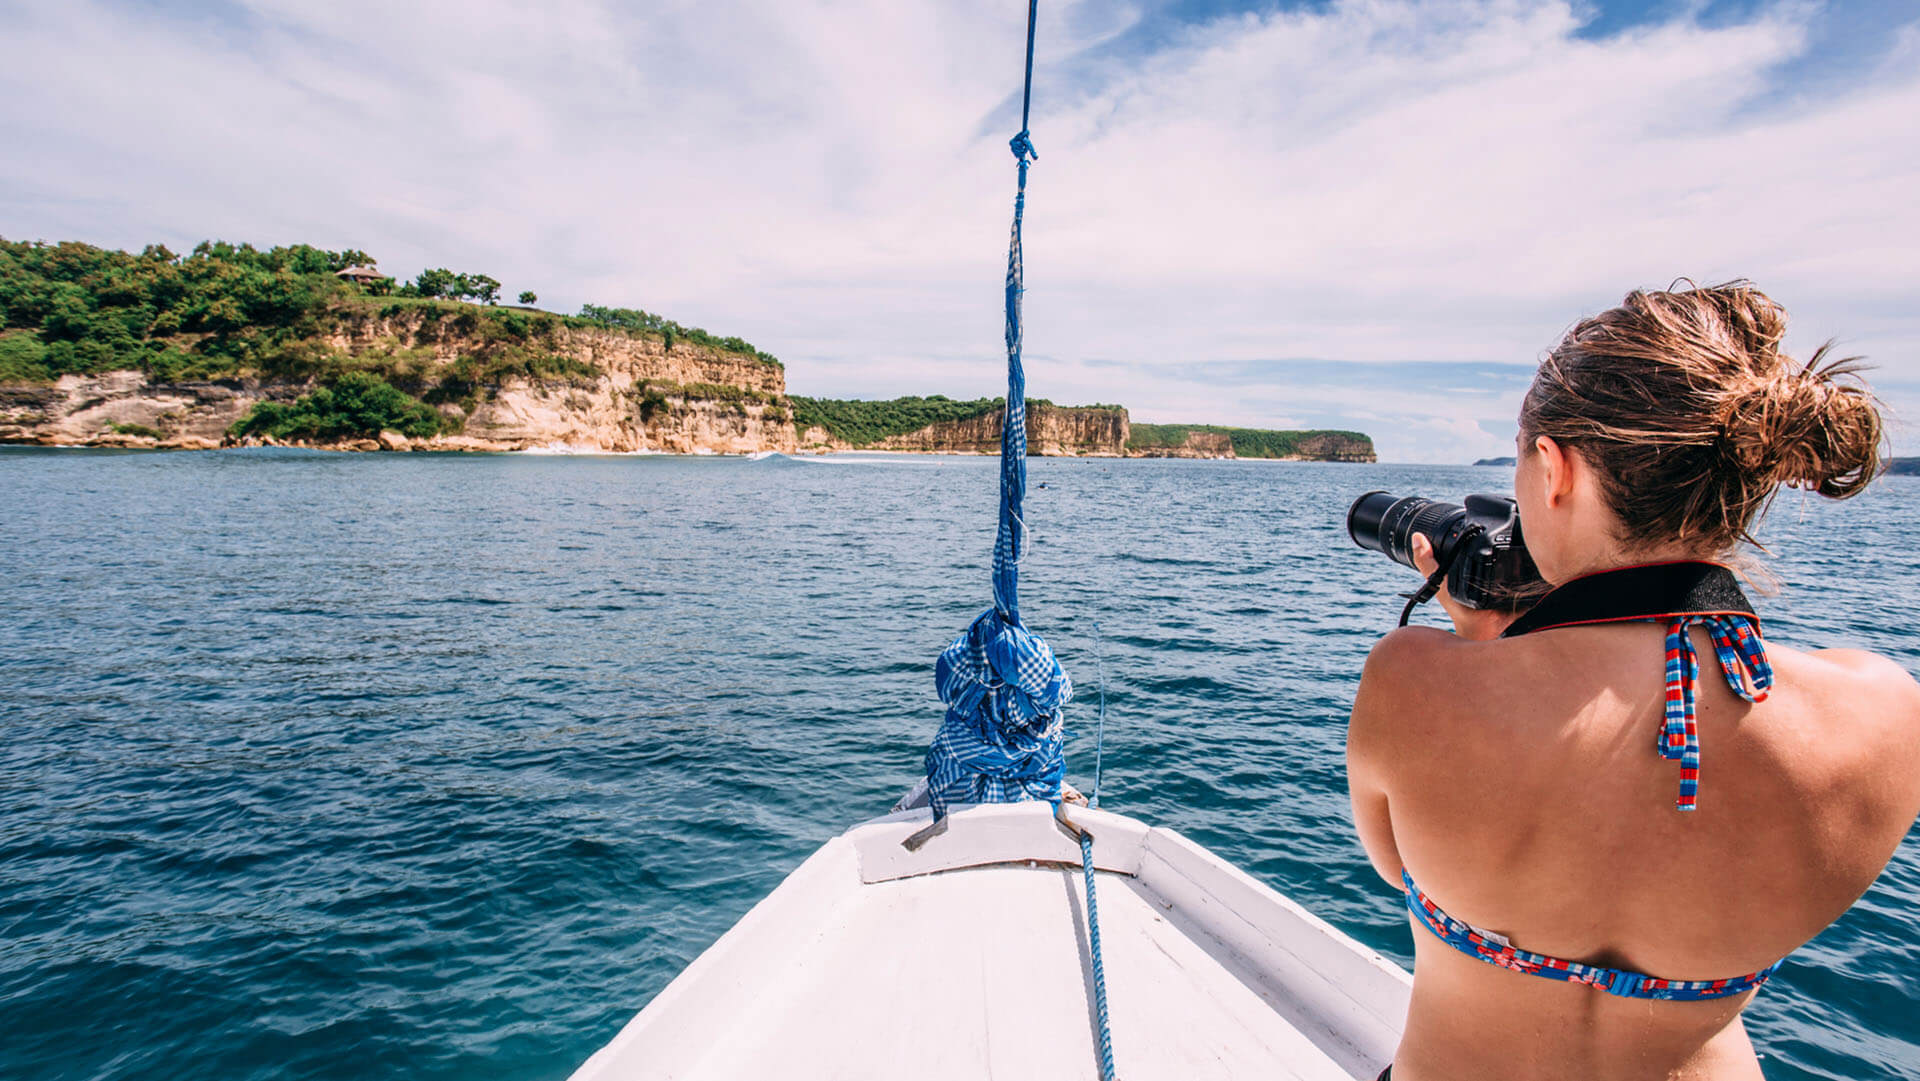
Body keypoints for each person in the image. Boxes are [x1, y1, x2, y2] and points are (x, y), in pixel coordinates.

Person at [1346, 282, 1920, 1081]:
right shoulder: (1886, 714)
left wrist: (1486, 645)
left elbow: (1400, 865)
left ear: (1554, 468)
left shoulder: (1410, 685)